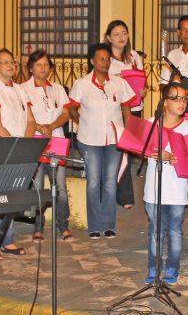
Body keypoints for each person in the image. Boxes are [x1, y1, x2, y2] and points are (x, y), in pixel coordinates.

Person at [68, 43, 138, 239]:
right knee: (93, 182)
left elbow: (126, 109)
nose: (105, 62)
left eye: (107, 59)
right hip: (89, 140)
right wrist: (81, 121)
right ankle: (94, 226)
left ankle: (108, 225)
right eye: (101, 58)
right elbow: (71, 108)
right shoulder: (82, 84)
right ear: (92, 61)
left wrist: (128, 133)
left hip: (114, 140)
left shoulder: (119, 83)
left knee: (109, 183)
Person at [0, 48, 35, 258]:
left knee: (11, 198)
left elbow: (30, 120)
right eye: (6, 62)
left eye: (13, 62)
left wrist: (25, 146)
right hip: (0, 151)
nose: (11, 66)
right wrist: (16, 146)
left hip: (18, 150)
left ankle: (7, 240)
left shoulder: (20, 90)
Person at [143, 82, 188, 285]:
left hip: (177, 189)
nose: (181, 103)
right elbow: (142, 149)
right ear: (165, 102)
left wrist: (169, 156)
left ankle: (173, 268)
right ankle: (153, 267)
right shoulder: (151, 123)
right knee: (155, 231)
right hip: (153, 188)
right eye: (175, 98)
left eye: (184, 99)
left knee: (174, 231)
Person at [20, 50, 72, 242]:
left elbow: (66, 113)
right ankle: (38, 227)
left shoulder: (57, 88)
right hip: (35, 142)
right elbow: (22, 115)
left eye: (45, 65)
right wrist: (39, 127)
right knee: (38, 186)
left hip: (56, 140)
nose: (42, 68)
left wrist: (51, 126)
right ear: (30, 68)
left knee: (60, 186)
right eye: (38, 65)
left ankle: (63, 225)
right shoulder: (22, 89)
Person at [106, 19, 146, 210]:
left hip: (135, 107)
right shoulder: (105, 58)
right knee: (120, 153)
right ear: (108, 38)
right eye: (116, 34)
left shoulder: (134, 56)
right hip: (116, 110)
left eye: (124, 33)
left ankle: (120, 193)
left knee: (127, 151)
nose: (121, 37)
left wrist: (142, 91)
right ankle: (124, 195)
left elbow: (142, 80)